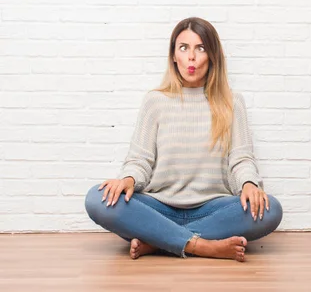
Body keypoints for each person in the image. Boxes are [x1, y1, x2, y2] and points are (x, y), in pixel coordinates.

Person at [85, 17, 283, 262]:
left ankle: (160, 242)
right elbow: (140, 160)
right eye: (184, 48)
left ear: (212, 56)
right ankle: (204, 246)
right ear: (173, 56)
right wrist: (128, 179)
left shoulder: (232, 102)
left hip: (213, 207)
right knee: (97, 198)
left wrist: (249, 185)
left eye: (200, 48)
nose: (191, 57)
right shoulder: (155, 101)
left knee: (271, 209)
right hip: (158, 207)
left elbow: (240, 159)